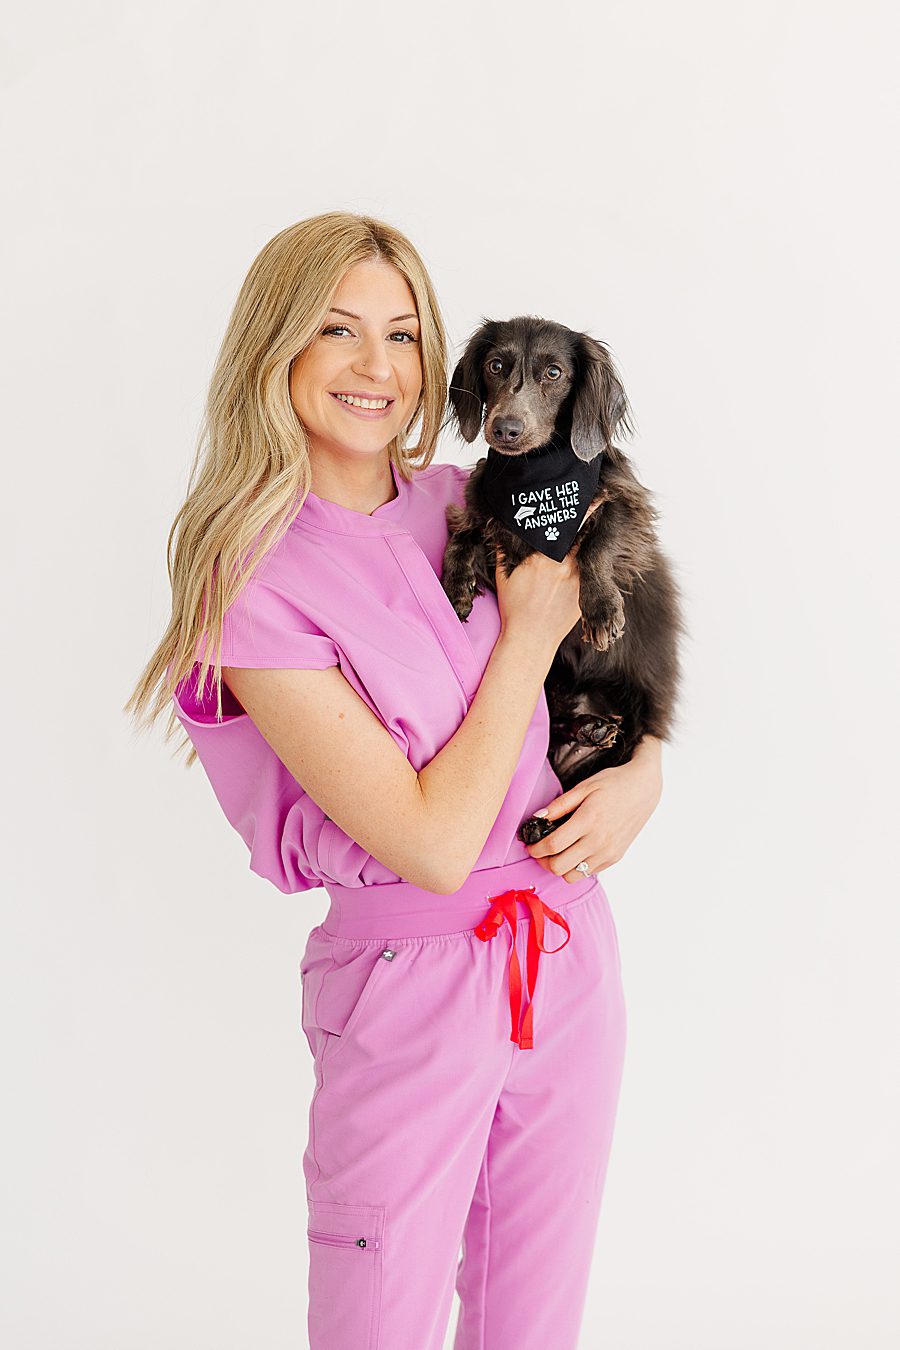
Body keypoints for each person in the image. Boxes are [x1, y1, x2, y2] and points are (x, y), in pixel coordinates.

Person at [126, 211, 664, 1349]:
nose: (378, 367)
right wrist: (526, 633)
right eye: (339, 330)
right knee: (378, 1323)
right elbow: (430, 840)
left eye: (404, 334)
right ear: (278, 350)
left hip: (564, 951)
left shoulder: (472, 497)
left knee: (536, 1322)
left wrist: (646, 768)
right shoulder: (252, 583)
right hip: (407, 982)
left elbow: (617, 621)